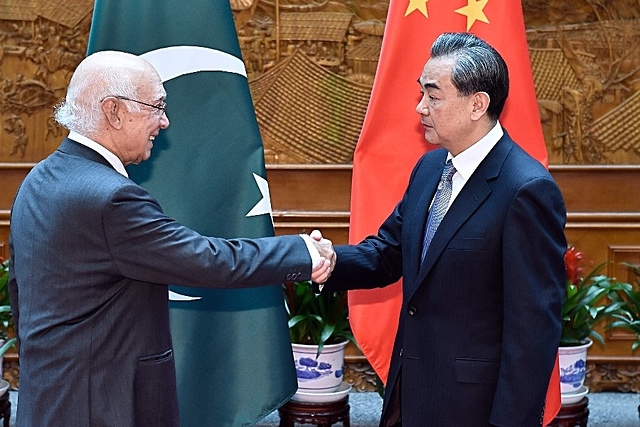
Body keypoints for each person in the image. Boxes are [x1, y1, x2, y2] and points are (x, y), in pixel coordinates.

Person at [7, 50, 335, 427]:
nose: (164, 122)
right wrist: (303, 252)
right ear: (113, 111)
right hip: (104, 405)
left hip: (49, 396)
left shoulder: (39, 179)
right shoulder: (111, 198)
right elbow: (208, 260)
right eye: (156, 106)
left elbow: (22, 295)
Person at [315, 32, 567, 426]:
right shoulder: (430, 168)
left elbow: (533, 330)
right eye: (422, 94)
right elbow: (388, 253)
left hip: (473, 407)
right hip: (410, 391)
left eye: (433, 96)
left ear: (476, 104)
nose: (420, 107)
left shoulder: (526, 189)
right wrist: (328, 261)